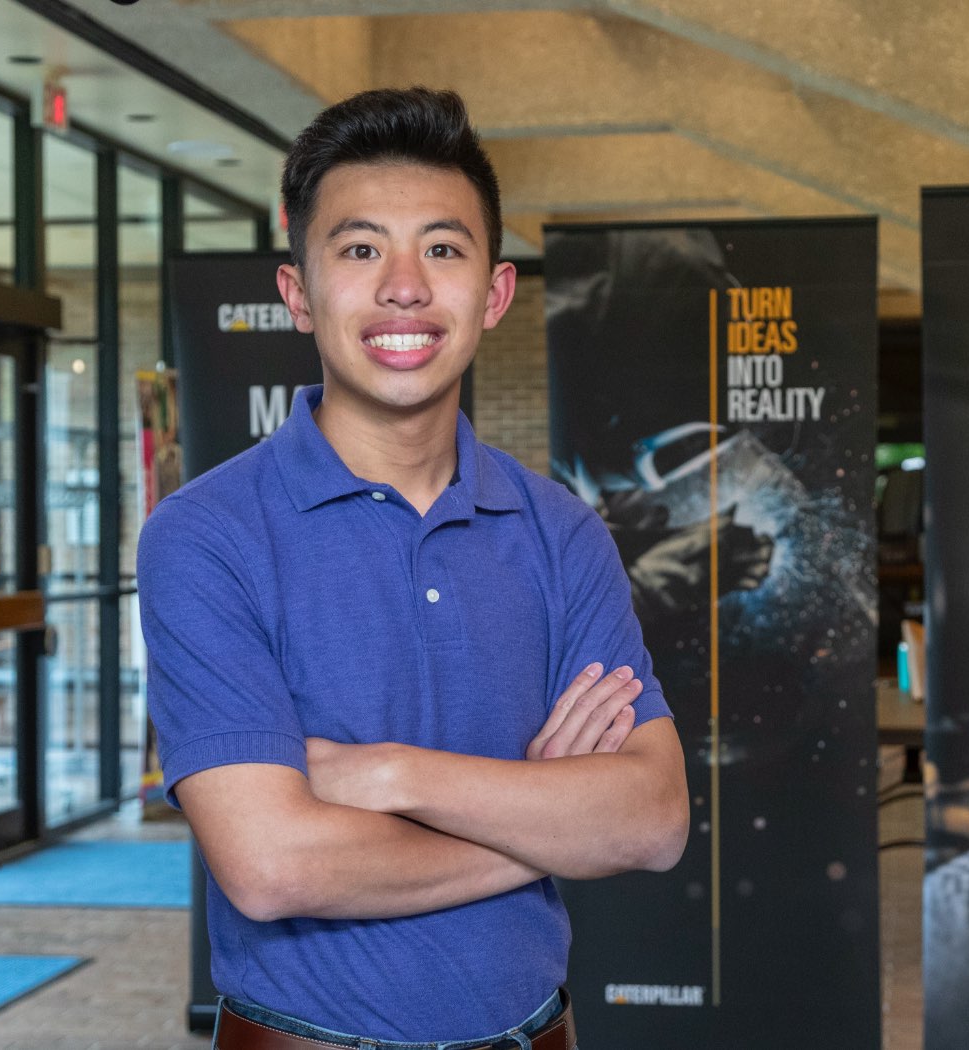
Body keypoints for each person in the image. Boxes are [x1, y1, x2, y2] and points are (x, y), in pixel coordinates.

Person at [137, 86, 688, 1050]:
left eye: (442, 249)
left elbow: (653, 819)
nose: (404, 287)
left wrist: (387, 774)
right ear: (298, 293)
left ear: (494, 293)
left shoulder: (561, 531)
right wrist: (544, 823)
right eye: (360, 250)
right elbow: (271, 865)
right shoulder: (206, 535)